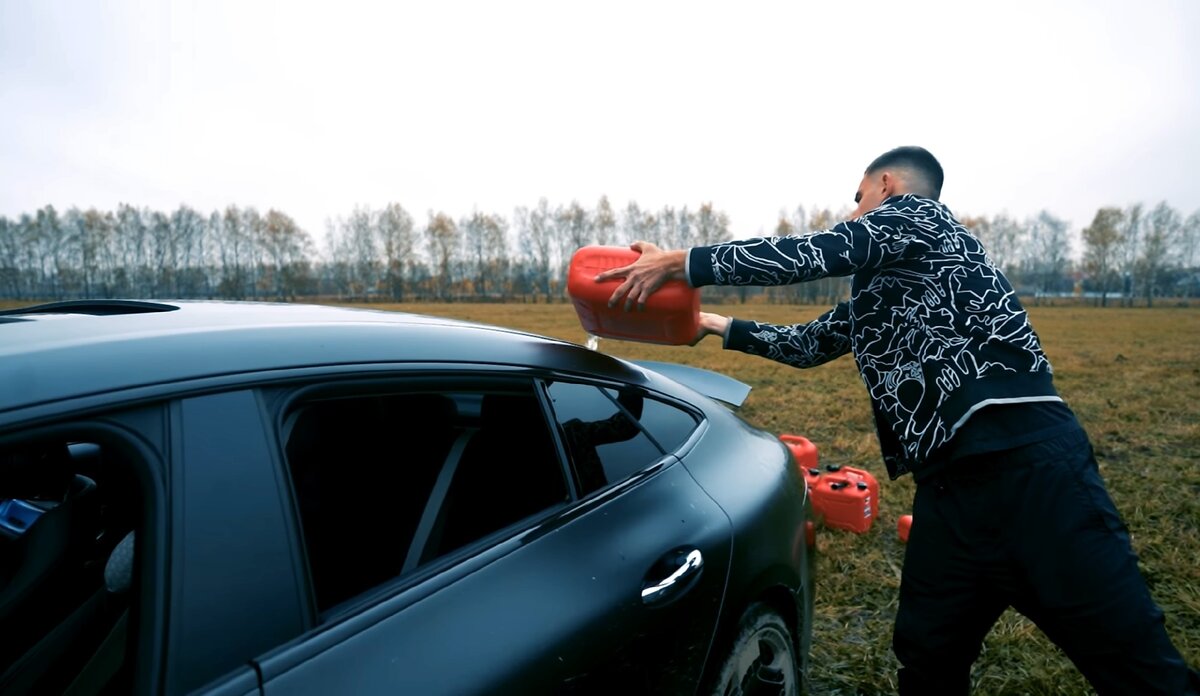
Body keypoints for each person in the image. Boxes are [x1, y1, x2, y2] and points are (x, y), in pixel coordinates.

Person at [596, 146, 1199, 694]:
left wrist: (683, 264)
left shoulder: (920, 217)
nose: (855, 214)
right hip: (949, 494)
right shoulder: (886, 290)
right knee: (927, 657)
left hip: (1032, 472)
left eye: (857, 200)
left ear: (885, 186)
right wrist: (712, 326)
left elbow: (819, 251)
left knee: (1138, 670)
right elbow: (809, 344)